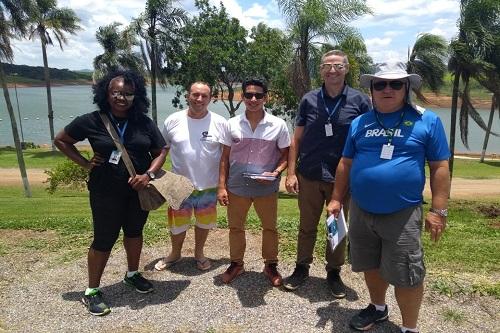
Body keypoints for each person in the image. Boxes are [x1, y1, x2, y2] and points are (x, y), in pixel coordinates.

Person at [326, 62, 451, 333]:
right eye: (380, 84)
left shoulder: (426, 120)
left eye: (395, 83)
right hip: (361, 209)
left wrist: (438, 210)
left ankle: (409, 328)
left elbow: (440, 166)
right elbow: (346, 163)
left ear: (406, 88)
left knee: (406, 273)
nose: (387, 89)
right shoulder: (361, 122)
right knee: (369, 263)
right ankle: (378, 308)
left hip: (402, 212)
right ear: (371, 89)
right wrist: (336, 198)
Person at [54, 70, 167, 316]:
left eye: (128, 93)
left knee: (135, 232)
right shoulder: (92, 120)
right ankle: (92, 291)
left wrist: (147, 175)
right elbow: (62, 140)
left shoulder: (143, 122)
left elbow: (161, 150)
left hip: (139, 191)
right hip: (105, 191)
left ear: (136, 96)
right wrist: (85, 163)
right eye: (116, 92)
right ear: (106, 93)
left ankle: (132, 274)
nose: (121, 98)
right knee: (104, 239)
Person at [283, 50, 371, 297]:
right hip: (309, 174)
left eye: (338, 66)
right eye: (327, 66)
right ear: (320, 70)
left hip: (342, 179)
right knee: (306, 226)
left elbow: (366, 142)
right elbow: (296, 140)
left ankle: (333, 272)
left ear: (346, 69)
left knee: (337, 228)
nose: (332, 70)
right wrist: (291, 174)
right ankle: (302, 268)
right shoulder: (309, 99)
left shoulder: (360, 101)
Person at [217, 78, 290, 287]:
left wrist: (276, 172)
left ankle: (270, 265)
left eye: (258, 95)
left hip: (265, 187)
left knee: (270, 228)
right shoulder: (231, 124)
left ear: (265, 97)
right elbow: (224, 158)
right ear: (243, 97)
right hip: (237, 187)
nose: (253, 99)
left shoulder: (278, 125)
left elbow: (286, 154)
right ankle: (236, 264)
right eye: (248, 95)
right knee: (236, 228)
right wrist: (222, 186)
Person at [156, 82, 228, 271]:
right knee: (177, 225)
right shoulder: (173, 120)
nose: (199, 99)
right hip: (178, 185)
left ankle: (199, 253)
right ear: (187, 96)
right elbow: (163, 150)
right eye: (195, 95)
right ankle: (175, 254)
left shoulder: (220, 123)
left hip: (209, 186)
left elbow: (225, 158)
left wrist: (222, 185)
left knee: (204, 223)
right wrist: (154, 175)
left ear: (210, 98)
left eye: (204, 96)